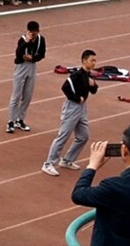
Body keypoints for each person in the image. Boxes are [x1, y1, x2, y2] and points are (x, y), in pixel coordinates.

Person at [42, 49, 98, 177]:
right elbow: (65, 87)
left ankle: (67, 160)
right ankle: (48, 164)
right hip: (72, 107)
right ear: (84, 61)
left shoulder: (89, 75)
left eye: (95, 60)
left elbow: (94, 91)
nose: (94, 63)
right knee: (63, 135)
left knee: (83, 136)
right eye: (92, 60)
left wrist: (93, 84)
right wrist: (77, 98)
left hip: (82, 108)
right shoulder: (77, 75)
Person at [6, 21, 46, 133]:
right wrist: (26, 42)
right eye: (31, 33)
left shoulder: (41, 40)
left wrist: (33, 58)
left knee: (28, 95)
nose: (33, 35)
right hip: (21, 67)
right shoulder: (22, 39)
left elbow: (42, 54)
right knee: (16, 96)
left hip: (32, 67)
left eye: (35, 33)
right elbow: (18, 53)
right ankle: (10, 121)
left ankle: (20, 119)